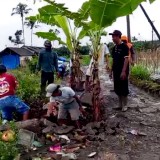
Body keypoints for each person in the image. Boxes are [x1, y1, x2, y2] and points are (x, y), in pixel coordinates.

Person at [109, 30, 129, 112]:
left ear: (118, 36)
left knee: (123, 87)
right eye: (112, 37)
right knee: (117, 87)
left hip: (122, 71)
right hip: (116, 71)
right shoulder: (114, 48)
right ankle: (120, 105)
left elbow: (126, 59)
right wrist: (111, 71)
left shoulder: (124, 46)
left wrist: (123, 71)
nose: (112, 38)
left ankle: (125, 105)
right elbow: (113, 60)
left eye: (114, 36)